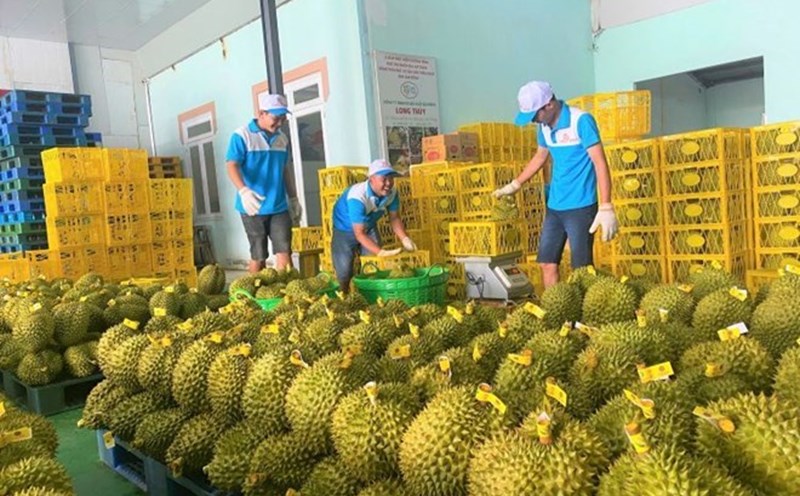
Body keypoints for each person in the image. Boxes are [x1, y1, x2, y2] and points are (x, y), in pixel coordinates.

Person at [494, 80, 618, 289]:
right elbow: (539, 157)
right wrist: (515, 184)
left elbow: (600, 163)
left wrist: (606, 206)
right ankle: (553, 307)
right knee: (547, 263)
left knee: (581, 270)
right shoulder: (543, 128)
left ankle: (584, 309)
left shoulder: (581, 121)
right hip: (555, 206)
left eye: (535, 115)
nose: (534, 120)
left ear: (549, 105)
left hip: (581, 206)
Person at [225, 93, 303, 273]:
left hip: (279, 206)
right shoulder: (242, 135)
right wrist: (244, 191)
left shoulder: (282, 139)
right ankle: (252, 289)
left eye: (283, 118)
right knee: (259, 256)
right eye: (276, 118)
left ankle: (285, 289)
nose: (280, 123)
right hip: (252, 206)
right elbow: (231, 165)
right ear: (262, 113)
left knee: (285, 253)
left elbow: (284, 170)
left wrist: (293, 198)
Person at [331, 159, 417, 291]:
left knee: (372, 266)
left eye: (391, 178)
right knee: (344, 270)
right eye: (384, 179)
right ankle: (343, 294)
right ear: (371, 179)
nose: (388, 183)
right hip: (345, 227)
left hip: (369, 224)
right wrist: (380, 252)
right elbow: (359, 233)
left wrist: (404, 238)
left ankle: (368, 294)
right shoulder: (357, 197)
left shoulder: (392, 193)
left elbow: (394, 218)